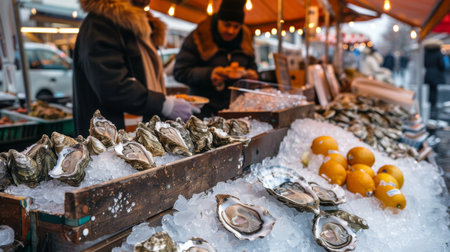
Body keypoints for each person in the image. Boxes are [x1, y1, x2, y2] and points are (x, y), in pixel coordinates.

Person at [73, 0, 198, 137]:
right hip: (109, 140)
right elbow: (112, 87)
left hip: (137, 134)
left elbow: (144, 78)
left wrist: (166, 102)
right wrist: (164, 104)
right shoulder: (100, 23)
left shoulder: (143, 25)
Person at [173, 0, 258, 118]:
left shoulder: (246, 41)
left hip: (236, 111)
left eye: (236, 26)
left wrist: (252, 75)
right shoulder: (198, 37)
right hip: (202, 112)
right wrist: (209, 74)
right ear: (218, 20)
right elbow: (179, 72)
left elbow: (253, 67)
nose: (231, 31)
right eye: (227, 24)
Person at [424, 39, 446, 118]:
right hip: (437, 75)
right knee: (435, 91)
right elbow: (442, 65)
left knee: (430, 91)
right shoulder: (439, 53)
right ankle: (433, 108)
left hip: (428, 74)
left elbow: (425, 63)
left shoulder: (426, 53)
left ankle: (430, 106)